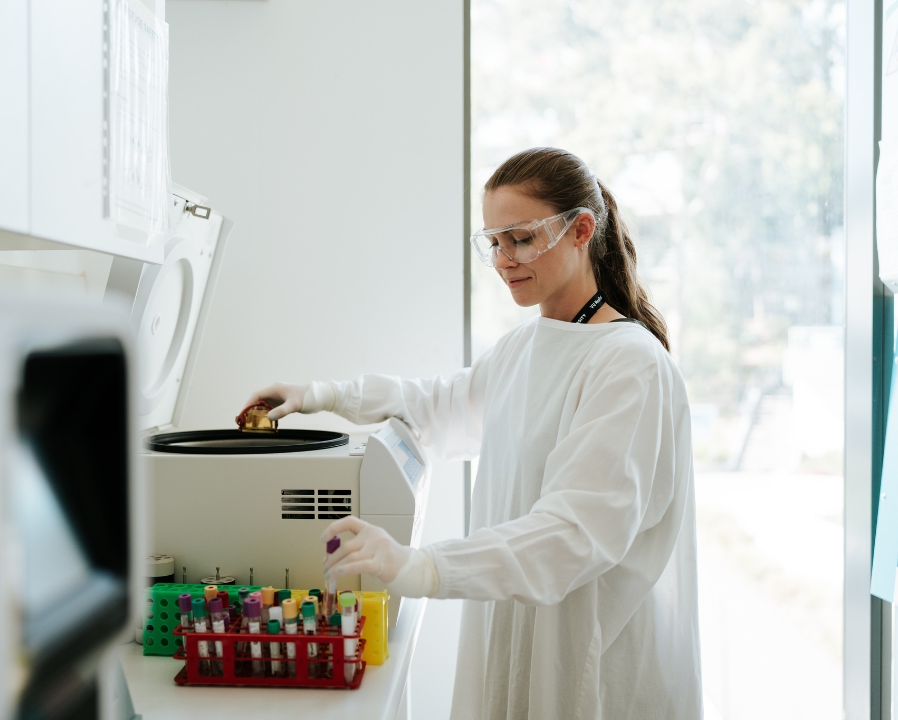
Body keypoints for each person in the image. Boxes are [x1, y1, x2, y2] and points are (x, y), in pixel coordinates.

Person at [245, 147, 701, 719]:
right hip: (523, 633)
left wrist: (423, 567)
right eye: (493, 242)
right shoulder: (524, 348)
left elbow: (574, 534)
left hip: (594, 658)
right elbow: (439, 405)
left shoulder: (629, 364)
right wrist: (319, 395)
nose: (504, 259)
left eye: (521, 238)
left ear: (581, 229)